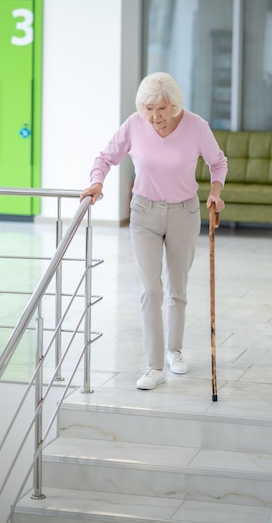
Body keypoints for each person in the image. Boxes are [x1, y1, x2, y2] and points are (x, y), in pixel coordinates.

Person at [80, 72, 227, 390]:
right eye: (148, 108)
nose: (154, 117)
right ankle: (154, 366)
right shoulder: (134, 124)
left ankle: (175, 351)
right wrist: (96, 181)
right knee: (150, 290)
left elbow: (218, 162)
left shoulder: (196, 126)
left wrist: (215, 192)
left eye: (161, 109)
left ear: (174, 105)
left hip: (184, 213)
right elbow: (106, 158)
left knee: (178, 289)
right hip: (144, 214)